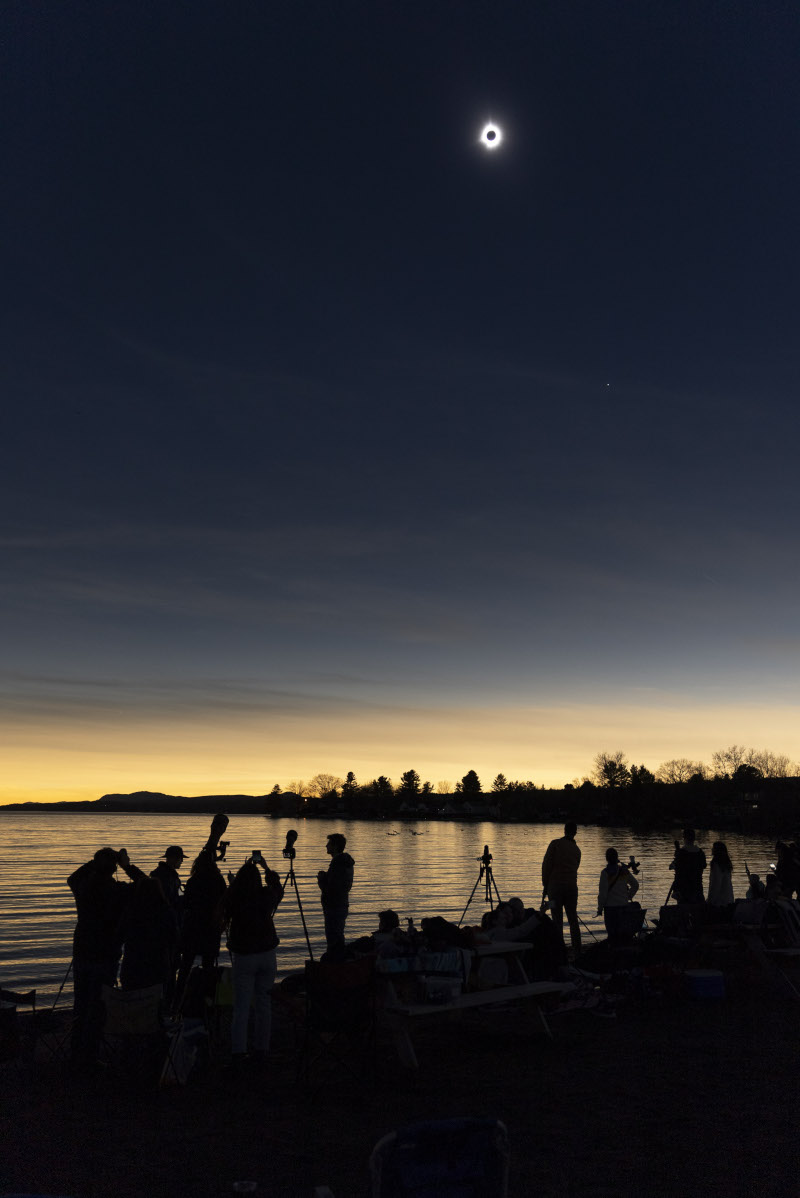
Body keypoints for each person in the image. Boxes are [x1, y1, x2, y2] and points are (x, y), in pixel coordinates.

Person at [67, 846, 145, 1067]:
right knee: (98, 1006)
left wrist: (95, 862)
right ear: (113, 868)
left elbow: (72, 878)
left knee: (81, 1004)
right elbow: (146, 885)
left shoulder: (83, 887)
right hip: (106, 955)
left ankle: (77, 1053)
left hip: (83, 952)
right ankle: (89, 1056)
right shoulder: (118, 890)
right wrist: (127, 866)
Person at [226, 853, 284, 1066]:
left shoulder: (234, 897)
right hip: (267, 955)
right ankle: (262, 1049)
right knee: (263, 1004)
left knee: (241, 1007)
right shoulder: (266, 895)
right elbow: (278, 888)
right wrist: (266, 867)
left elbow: (225, 910)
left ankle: (238, 1052)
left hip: (244, 956)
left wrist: (232, 885)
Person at [175, 814, 230, 1011]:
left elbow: (186, 902)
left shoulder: (194, 880)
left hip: (192, 928)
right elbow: (225, 901)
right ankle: (207, 1001)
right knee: (208, 966)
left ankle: (178, 1001)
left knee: (185, 966)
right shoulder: (218, 881)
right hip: (211, 929)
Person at [119, 875, 179, 993]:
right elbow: (174, 938)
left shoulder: (131, 912)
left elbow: (120, 935)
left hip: (133, 963)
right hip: (158, 964)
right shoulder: (166, 912)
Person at [541, 821, 582, 954]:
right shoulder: (577, 850)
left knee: (557, 919)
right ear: (575, 832)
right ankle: (577, 949)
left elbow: (546, 865)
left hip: (555, 887)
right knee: (573, 919)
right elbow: (575, 868)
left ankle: (560, 950)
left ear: (564, 830)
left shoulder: (555, 844)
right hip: (571, 887)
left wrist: (545, 885)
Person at [317, 833, 354, 956]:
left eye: (329, 844)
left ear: (335, 846)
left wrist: (321, 879)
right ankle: (339, 962)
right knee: (338, 936)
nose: (326, 846)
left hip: (334, 906)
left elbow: (330, 889)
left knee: (333, 939)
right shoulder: (344, 862)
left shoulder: (337, 864)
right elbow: (340, 884)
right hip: (341, 904)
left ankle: (334, 964)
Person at [596, 848, 640, 942]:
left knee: (612, 936)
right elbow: (635, 885)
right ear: (617, 858)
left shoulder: (605, 873)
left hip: (610, 909)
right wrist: (628, 896)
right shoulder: (624, 871)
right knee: (623, 936)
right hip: (624, 907)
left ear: (606, 859)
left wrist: (600, 909)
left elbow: (603, 894)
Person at [669, 828, 707, 904]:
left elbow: (673, 868)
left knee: (684, 912)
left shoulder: (682, 853)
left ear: (684, 838)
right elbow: (704, 865)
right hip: (697, 887)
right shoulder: (700, 853)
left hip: (684, 889)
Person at [707, 842, 735, 909]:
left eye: (713, 848)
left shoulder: (716, 864)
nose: (712, 849)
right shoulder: (727, 864)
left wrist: (710, 901)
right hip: (729, 900)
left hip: (719, 903)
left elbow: (715, 884)